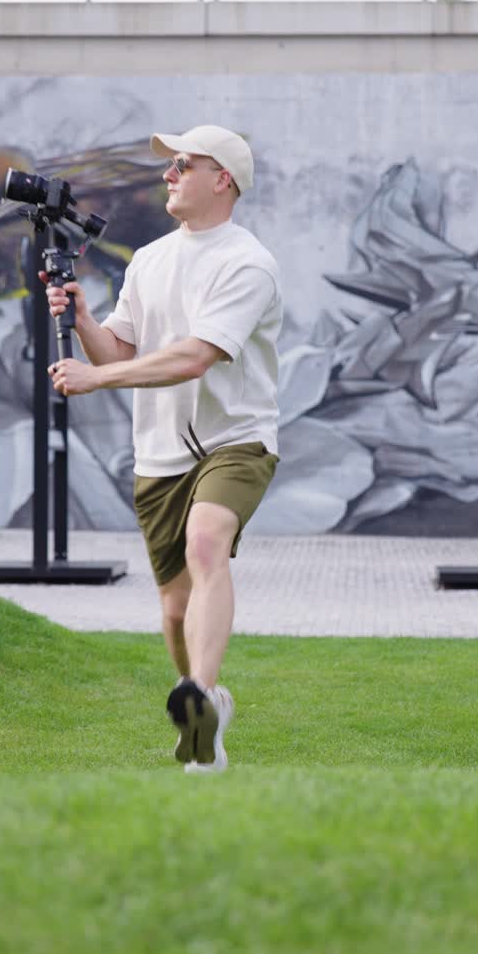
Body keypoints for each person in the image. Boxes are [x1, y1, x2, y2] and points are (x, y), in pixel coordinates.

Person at [42, 125, 282, 773]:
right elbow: (120, 350)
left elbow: (195, 356)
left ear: (221, 179)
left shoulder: (248, 262)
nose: (168, 175)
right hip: (159, 454)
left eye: (182, 164)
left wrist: (97, 378)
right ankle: (204, 708)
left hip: (237, 440)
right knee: (174, 611)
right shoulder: (149, 259)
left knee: (207, 543)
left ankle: (199, 694)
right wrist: (85, 321)